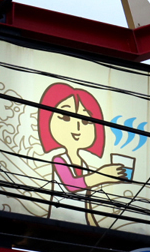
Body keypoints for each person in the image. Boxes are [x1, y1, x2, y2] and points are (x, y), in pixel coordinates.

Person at [38, 83, 126, 225]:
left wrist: (94, 226)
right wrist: (103, 175)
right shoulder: (59, 159)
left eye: (85, 120)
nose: (77, 127)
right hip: (58, 221)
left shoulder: (84, 165)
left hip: (80, 222)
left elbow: (87, 204)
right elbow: (71, 185)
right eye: (65, 117)